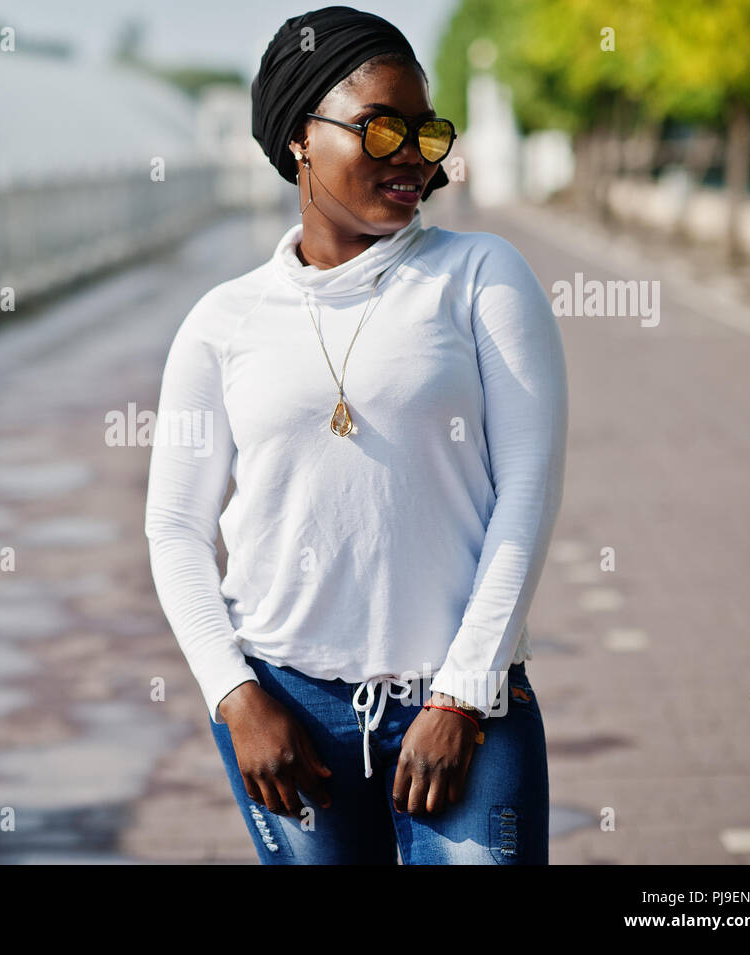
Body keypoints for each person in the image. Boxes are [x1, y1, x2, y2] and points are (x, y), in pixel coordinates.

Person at [143, 6, 568, 864]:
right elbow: (176, 529)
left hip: (466, 712)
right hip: (285, 717)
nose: (413, 153)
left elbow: (528, 490)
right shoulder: (222, 322)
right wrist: (231, 693)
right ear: (301, 137)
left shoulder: (480, 278)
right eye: (381, 130)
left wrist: (461, 693)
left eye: (425, 130)